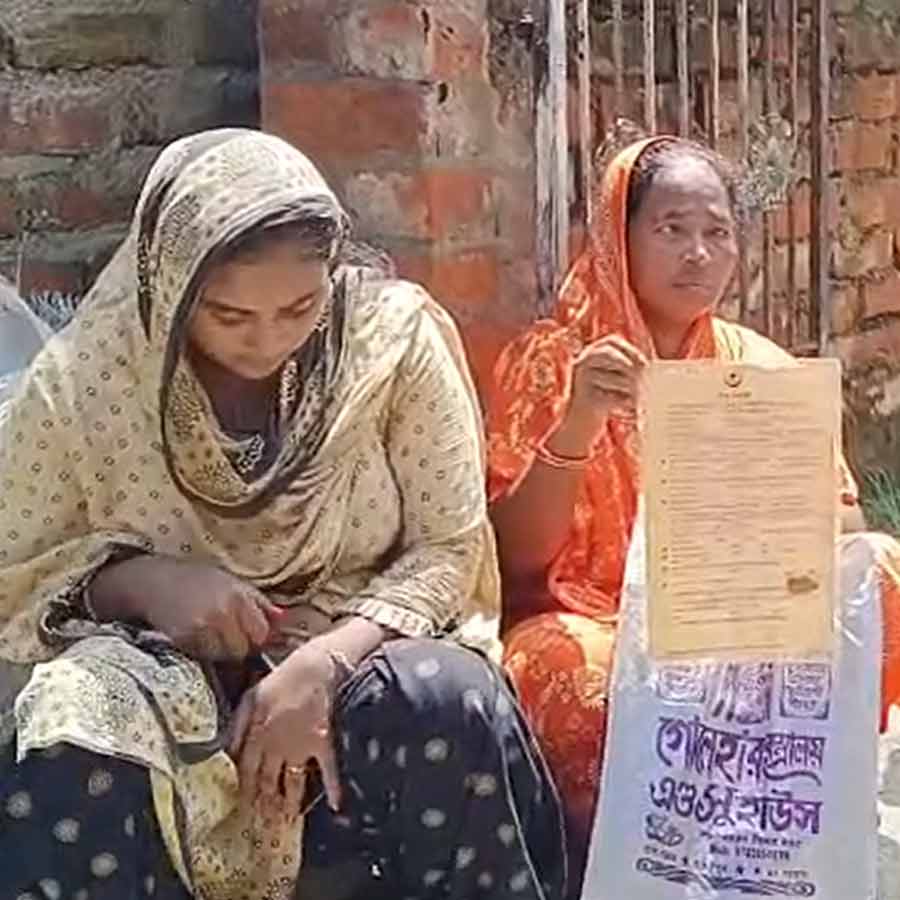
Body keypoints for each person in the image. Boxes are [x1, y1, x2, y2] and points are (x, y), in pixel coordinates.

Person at [0, 129, 566, 900]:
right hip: (165, 674)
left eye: (300, 307)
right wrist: (142, 582)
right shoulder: (88, 381)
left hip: (361, 647)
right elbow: (17, 564)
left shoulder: (391, 341)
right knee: (73, 719)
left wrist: (322, 668)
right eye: (229, 317)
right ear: (168, 291)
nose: (267, 341)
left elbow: (448, 546)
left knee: (444, 696)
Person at [486, 133, 900, 886]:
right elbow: (516, 561)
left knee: (882, 564)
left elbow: (840, 534)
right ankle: (620, 872)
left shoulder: (759, 369)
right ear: (619, 235)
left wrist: (774, 504)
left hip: (744, 625)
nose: (697, 254)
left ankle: (781, 854)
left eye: (717, 233)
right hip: (600, 620)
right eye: (671, 228)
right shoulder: (552, 361)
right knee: (571, 671)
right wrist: (579, 421)